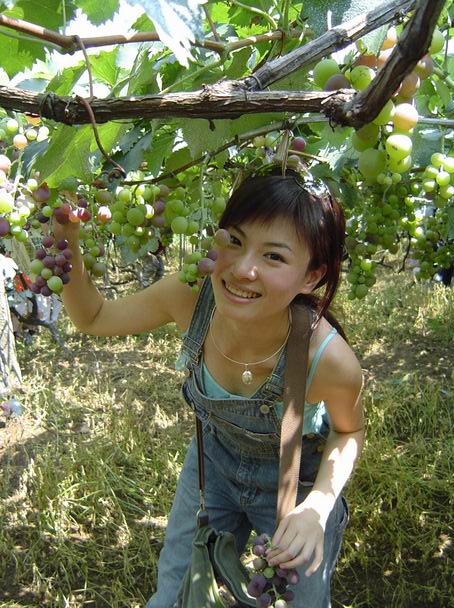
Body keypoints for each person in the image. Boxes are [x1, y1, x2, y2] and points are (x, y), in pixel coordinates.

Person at [55, 166, 364, 608]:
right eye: (233, 240)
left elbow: (349, 432)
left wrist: (317, 507)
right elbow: (93, 316)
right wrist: (65, 235)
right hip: (213, 463)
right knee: (176, 596)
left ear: (311, 277)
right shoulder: (189, 296)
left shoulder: (327, 359)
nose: (242, 269)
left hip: (297, 483)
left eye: (274, 257)